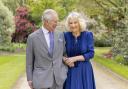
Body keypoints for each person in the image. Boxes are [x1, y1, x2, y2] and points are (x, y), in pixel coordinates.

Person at [26, 9, 67, 89]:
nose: (56, 24)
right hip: (40, 80)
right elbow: (29, 61)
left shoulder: (60, 35)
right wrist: (30, 78)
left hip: (58, 80)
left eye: (57, 21)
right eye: (54, 21)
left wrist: (64, 70)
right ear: (45, 21)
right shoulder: (32, 38)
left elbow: (64, 54)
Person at [63, 12, 96, 89]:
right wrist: (65, 60)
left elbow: (91, 53)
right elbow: (60, 52)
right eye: (70, 23)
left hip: (85, 70)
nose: (73, 25)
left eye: (75, 22)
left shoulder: (88, 35)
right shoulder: (65, 35)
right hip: (71, 69)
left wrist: (74, 58)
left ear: (80, 23)